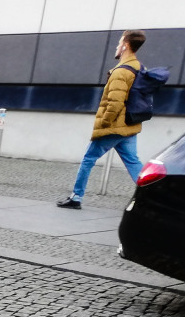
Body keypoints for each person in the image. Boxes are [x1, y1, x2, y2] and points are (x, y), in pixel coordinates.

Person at [57, 30, 146, 209]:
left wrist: (104, 124)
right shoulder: (139, 68)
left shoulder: (122, 72)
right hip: (129, 125)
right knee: (134, 163)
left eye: (119, 42)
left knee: (88, 159)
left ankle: (76, 197)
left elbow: (114, 103)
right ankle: (153, 198)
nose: (117, 46)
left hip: (114, 126)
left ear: (126, 45)